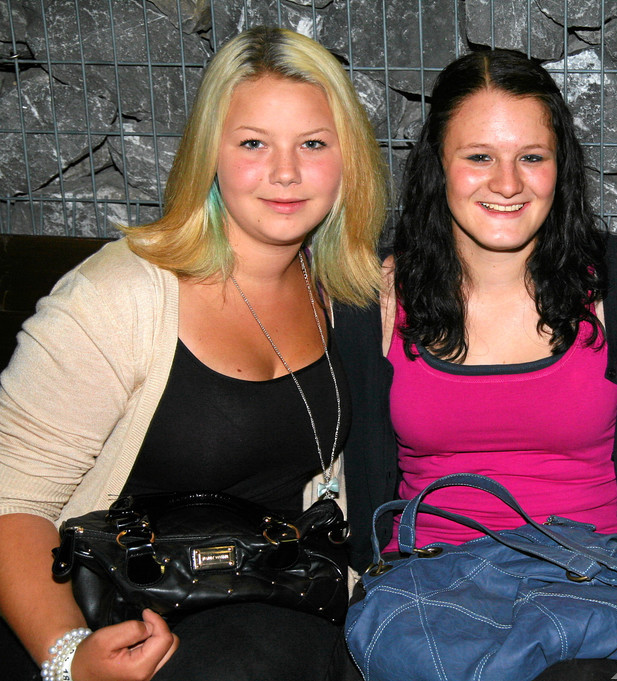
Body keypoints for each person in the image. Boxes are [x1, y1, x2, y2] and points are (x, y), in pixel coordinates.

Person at [0, 26, 386, 681]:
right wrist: (70, 658)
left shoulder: (345, 292)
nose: (286, 172)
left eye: (313, 143)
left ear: (348, 159)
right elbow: (13, 499)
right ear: (210, 153)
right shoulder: (115, 298)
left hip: (278, 609)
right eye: (254, 143)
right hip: (121, 621)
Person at [334, 48, 617, 677]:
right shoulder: (374, 298)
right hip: (426, 590)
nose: (507, 184)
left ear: (561, 167)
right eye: (479, 157)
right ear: (438, 164)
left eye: (531, 157)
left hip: (588, 583)